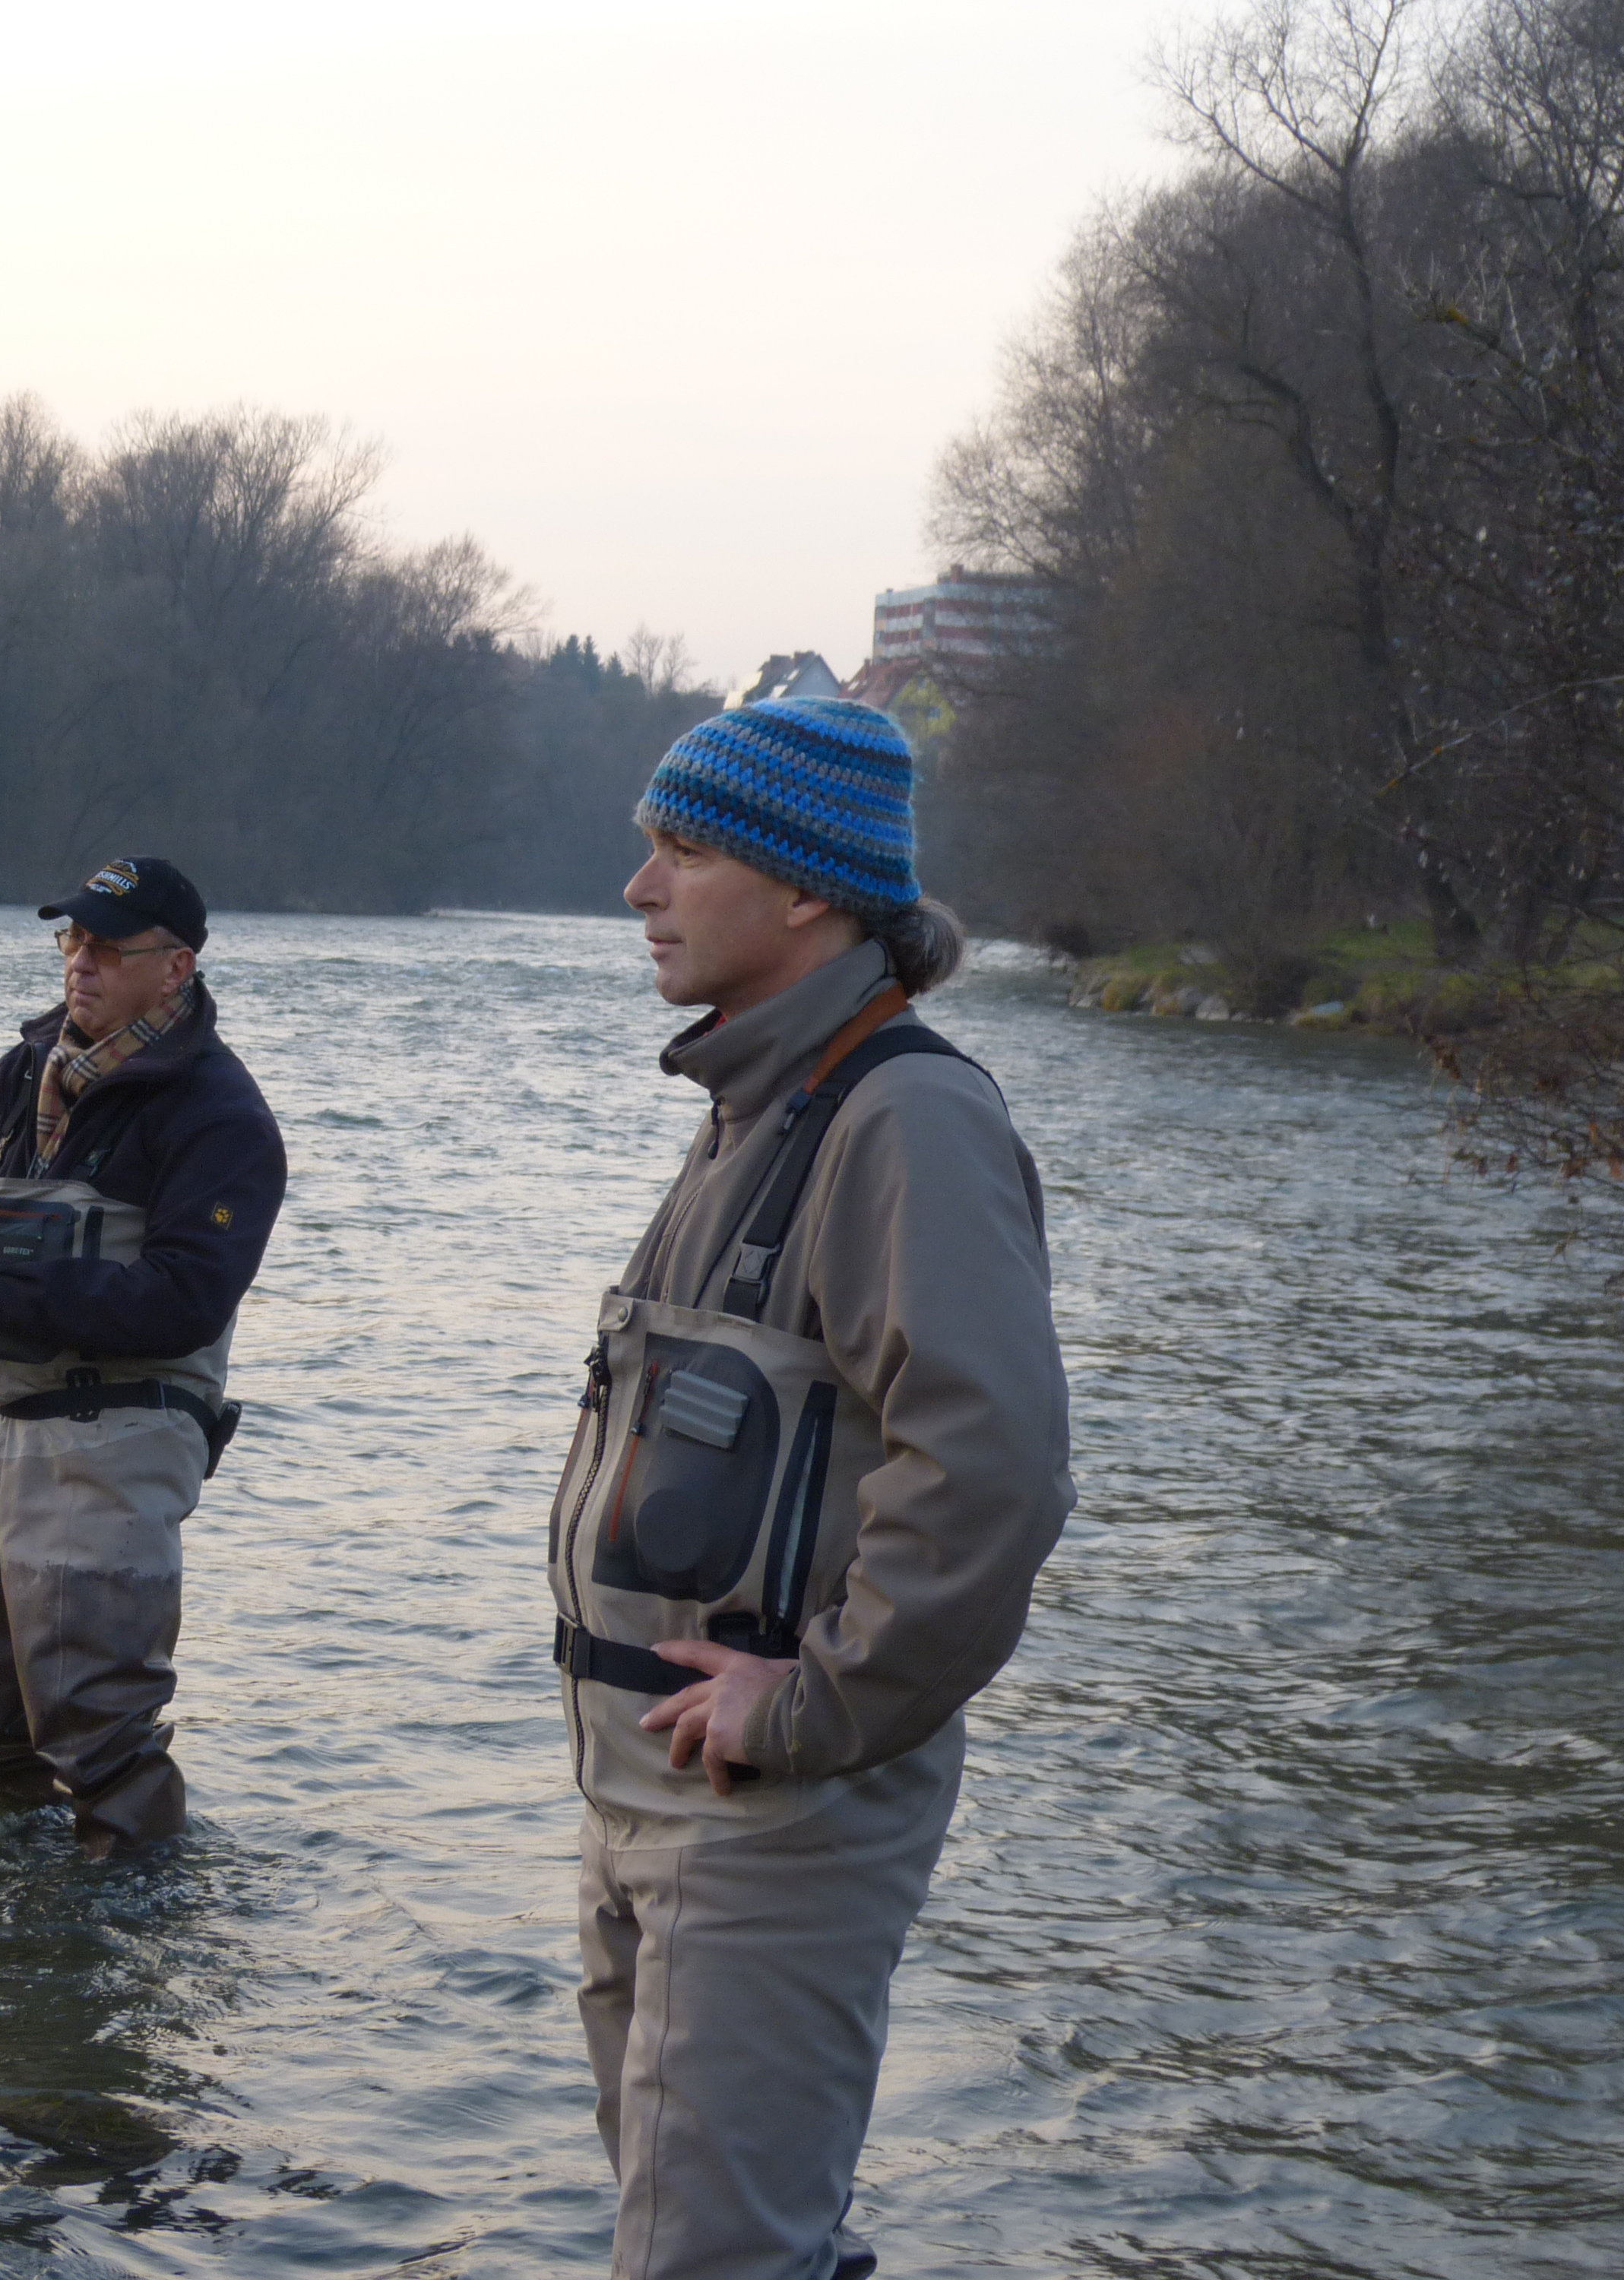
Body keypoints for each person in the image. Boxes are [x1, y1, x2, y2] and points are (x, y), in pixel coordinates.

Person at [549, 698, 1074, 2278]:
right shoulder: (753, 1106)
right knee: (709, 2236)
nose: (637, 888)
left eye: (680, 850)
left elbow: (991, 1475)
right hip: (655, 1791)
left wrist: (809, 1708)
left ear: (805, 893)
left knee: (715, 2260)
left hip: (766, 1808)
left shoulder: (906, 1115)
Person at [0, 855, 285, 1854]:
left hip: (120, 1437)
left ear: (175, 968)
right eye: (71, 942)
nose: (78, 965)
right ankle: (5, 1905)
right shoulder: (25, 1072)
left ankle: (126, 1936)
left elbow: (185, 1298)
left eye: (105, 948)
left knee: (100, 1734)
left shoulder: (220, 1117)